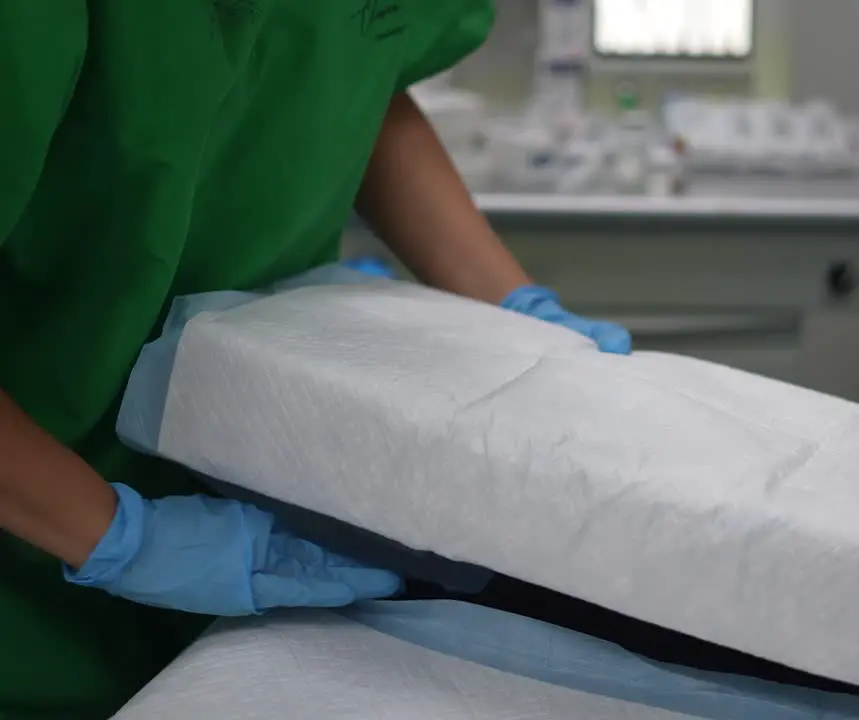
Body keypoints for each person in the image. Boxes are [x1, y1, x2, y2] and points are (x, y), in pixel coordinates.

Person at [0, 2, 630, 718]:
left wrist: (517, 306)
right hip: (29, 541)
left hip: (250, 503)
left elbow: (367, 78)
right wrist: (126, 539)